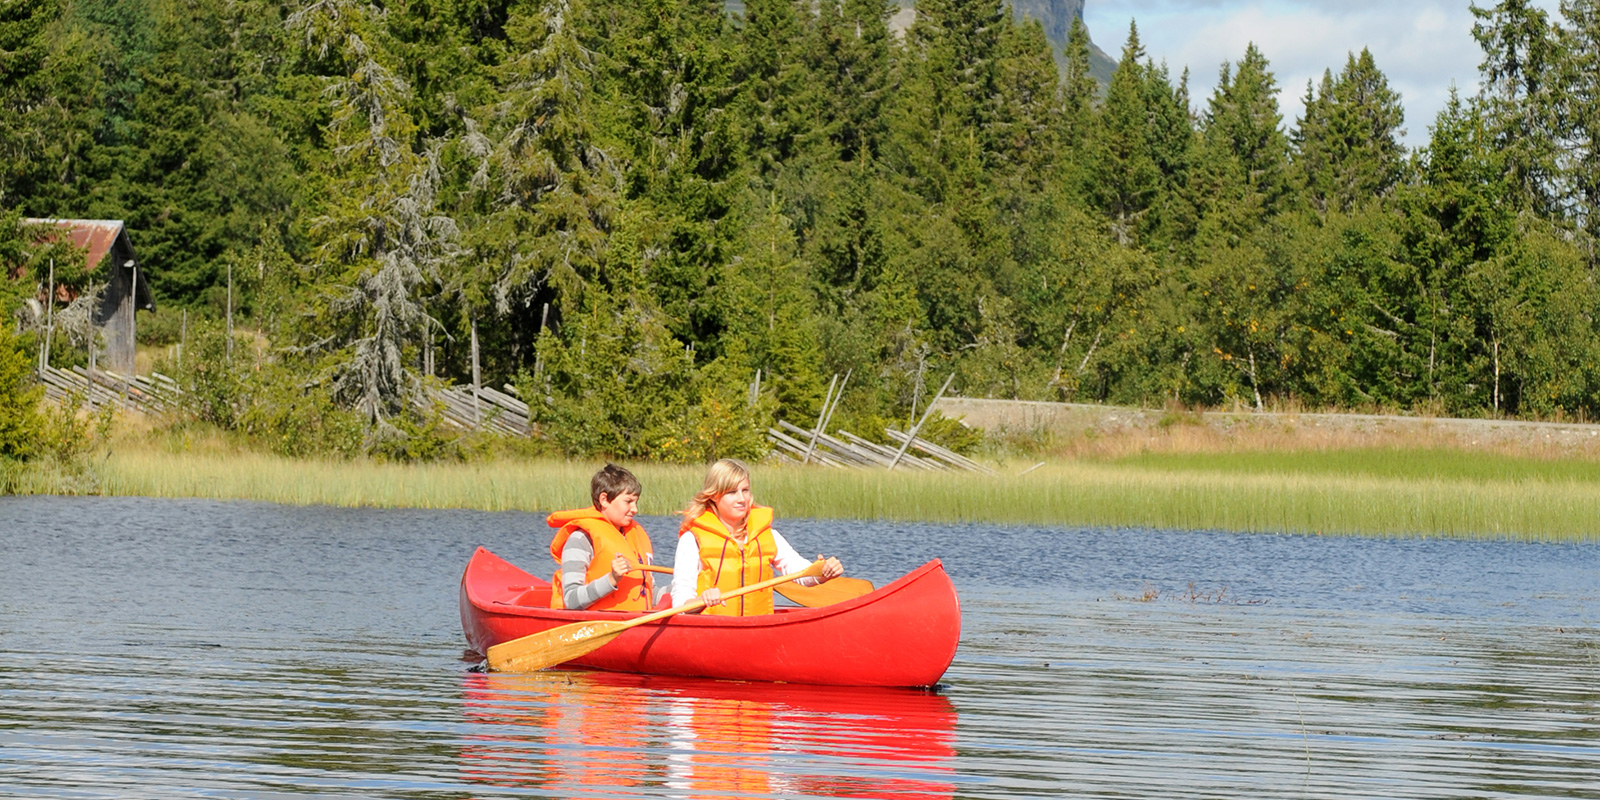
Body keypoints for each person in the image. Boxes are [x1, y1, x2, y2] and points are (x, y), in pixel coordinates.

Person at [671, 458, 844, 615]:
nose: (742, 499)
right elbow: (680, 604)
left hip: (757, 627)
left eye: (745, 490)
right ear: (714, 496)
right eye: (732, 492)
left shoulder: (768, 536)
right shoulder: (692, 539)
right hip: (711, 629)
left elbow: (801, 573)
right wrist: (702, 600)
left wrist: (823, 572)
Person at [546, 463, 655, 611]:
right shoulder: (580, 540)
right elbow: (571, 600)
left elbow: (650, 593)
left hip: (637, 623)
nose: (635, 509)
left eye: (636, 502)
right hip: (597, 625)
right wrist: (612, 579)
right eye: (628, 501)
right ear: (604, 500)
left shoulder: (635, 537)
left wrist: (687, 594)